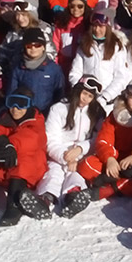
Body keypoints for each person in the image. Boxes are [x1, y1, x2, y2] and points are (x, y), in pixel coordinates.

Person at [69, 70, 132, 217]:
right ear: (126, 97)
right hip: (116, 160)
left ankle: (108, 189)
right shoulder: (116, 114)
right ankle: (129, 185)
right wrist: (110, 159)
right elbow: (103, 139)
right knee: (86, 165)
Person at [18, 76, 107, 219]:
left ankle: (73, 198)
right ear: (77, 90)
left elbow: (98, 138)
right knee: (54, 173)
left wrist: (80, 150)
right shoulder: (59, 109)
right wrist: (65, 156)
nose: (85, 99)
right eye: (84, 93)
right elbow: (50, 139)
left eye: (90, 96)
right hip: (59, 154)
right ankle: (45, 200)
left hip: (82, 155)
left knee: (76, 175)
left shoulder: (96, 112)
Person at [0, 88, 48, 226]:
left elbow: (32, 138)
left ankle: (14, 203)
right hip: (5, 167)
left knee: (25, 159)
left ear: (30, 105)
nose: (16, 109)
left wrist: (10, 145)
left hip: (27, 173)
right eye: (12, 103)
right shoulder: (5, 118)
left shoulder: (36, 121)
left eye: (21, 104)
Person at [68, 9, 130, 111]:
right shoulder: (84, 45)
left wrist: (106, 96)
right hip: (85, 99)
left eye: (101, 26)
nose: (97, 30)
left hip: (107, 102)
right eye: (94, 26)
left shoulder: (117, 47)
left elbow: (121, 77)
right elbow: (75, 72)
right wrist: (80, 92)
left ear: (108, 27)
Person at [0, 0, 57, 88]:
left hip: (38, 79)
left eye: (24, 15)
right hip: (14, 78)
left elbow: (51, 55)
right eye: (17, 15)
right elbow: (1, 55)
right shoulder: (14, 33)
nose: (20, 18)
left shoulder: (43, 31)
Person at [6, 28, 65, 115]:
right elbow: (12, 93)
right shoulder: (18, 68)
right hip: (24, 113)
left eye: (37, 45)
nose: (33, 49)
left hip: (46, 114)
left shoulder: (54, 69)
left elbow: (60, 95)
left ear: (44, 47)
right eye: (29, 46)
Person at [53, 0, 91, 80]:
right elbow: (55, 45)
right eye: (72, 6)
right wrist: (55, 66)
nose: (76, 9)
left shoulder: (88, 24)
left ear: (85, 7)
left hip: (82, 68)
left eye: (80, 6)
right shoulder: (61, 24)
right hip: (63, 67)